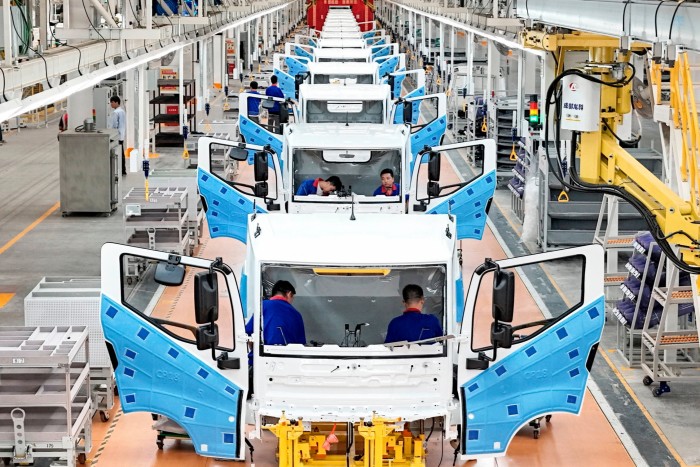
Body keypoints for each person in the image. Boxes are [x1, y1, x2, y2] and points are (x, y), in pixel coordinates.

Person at [245, 280, 306, 346]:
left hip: (263, 354)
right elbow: (300, 344)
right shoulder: (296, 314)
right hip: (287, 355)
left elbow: (248, 333)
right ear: (289, 294)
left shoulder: (263, 305)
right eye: (292, 297)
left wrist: (255, 351)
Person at [108, 96, 127, 175]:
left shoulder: (116, 112)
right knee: (121, 153)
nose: (111, 104)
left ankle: (121, 170)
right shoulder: (121, 111)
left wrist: (113, 136)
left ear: (116, 102)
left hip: (116, 136)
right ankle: (123, 170)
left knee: (118, 154)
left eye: (112, 102)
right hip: (120, 136)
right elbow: (122, 125)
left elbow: (115, 125)